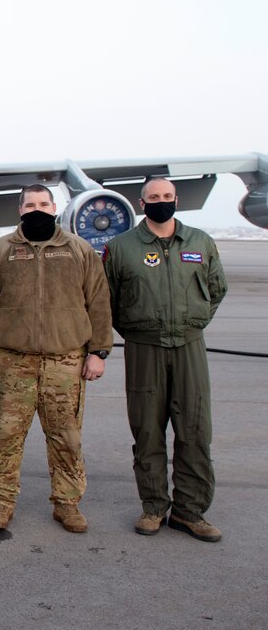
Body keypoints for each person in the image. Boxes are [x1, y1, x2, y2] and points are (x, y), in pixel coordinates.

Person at [0, 184, 111, 533]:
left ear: (54, 207)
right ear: (20, 209)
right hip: (11, 361)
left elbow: (98, 302)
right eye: (30, 204)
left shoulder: (79, 250)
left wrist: (98, 351)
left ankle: (67, 504)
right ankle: (2, 502)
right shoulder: (0, 251)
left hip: (65, 361)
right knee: (6, 436)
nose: (37, 209)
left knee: (67, 438)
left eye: (44, 204)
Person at [103, 177, 228, 542]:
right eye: (154, 197)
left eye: (167, 196)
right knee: (147, 430)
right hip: (144, 348)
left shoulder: (200, 242)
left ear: (177, 199)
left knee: (195, 429)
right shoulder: (120, 247)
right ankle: (154, 507)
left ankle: (190, 512)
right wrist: (135, 328)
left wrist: (193, 322)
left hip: (189, 346)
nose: (162, 201)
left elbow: (216, 288)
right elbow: (106, 299)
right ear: (142, 204)